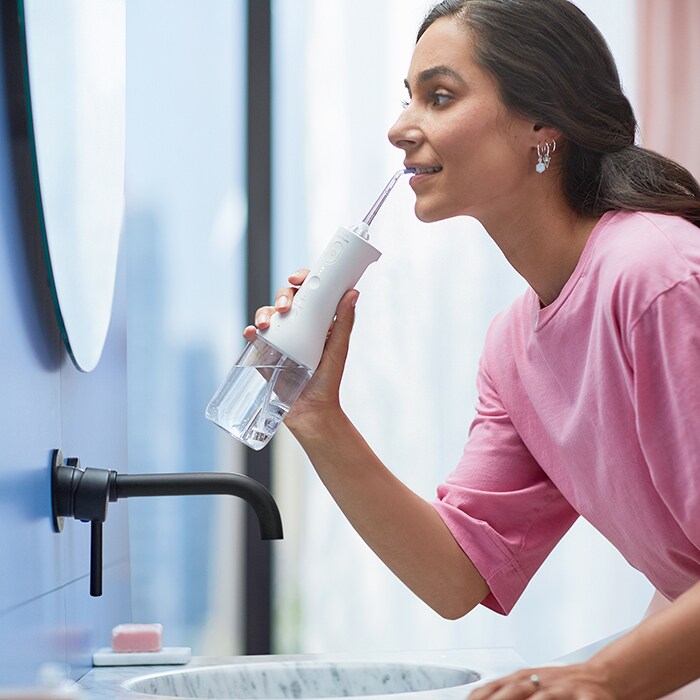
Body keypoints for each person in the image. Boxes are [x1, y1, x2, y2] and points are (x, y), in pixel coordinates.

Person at [244, 0, 700, 697]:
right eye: (409, 99)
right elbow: (458, 573)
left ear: (544, 124)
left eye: (440, 96)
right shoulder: (515, 348)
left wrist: (603, 679)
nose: (400, 128)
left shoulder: (656, 276)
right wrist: (315, 417)